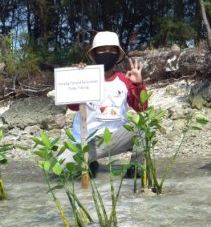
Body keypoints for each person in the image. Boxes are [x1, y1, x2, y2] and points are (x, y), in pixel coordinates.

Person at [62, 31, 147, 177]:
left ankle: (134, 172)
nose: (107, 53)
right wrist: (76, 77)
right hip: (86, 141)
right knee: (63, 170)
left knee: (144, 128)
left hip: (115, 137)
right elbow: (73, 106)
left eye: (111, 49)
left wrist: (138, 84)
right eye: (102, 50)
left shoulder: (124, 79)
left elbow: (141, 107)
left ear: (117, 54)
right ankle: (91, 163)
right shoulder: (85, 75)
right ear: (94, 54)